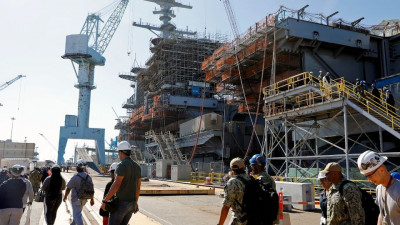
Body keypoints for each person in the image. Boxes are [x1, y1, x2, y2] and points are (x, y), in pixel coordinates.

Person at [101, 141, 141, 225]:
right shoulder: (137, 167)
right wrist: (136, 203)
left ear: (120, 152)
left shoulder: (121, 165)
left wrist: (105, 201)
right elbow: (138, 187)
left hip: (121, 205)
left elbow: (116, 185)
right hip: (132, 204)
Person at [357, 151, 400, 225]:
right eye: (366, 176)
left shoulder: (398, 189)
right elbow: (382, 214)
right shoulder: (379, 189)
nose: (369, 179)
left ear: (381, 169)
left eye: (370, 175)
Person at [218, 157, 251, 225]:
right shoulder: (251, 179)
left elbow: (226, 207)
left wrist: (220, 224)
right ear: (243, 167)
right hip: (252, 218)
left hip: (239, 220)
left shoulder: (233, 182)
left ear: (232, 169)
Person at [63, 160, 94, 225]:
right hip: (84, 199)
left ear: (77, 168)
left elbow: (68, 188)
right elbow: (91, 189)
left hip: (76, 199)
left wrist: (65, 197)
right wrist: (92, 199)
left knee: (77, 216)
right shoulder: (88, 177)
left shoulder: (75, 177)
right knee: (77, 214)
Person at [249, 154, 278, 224]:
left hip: (264, 215)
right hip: (268, 214)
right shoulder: (267, 177)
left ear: (257, 166)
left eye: (252, 166)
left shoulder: (262, 178)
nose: (252, 168)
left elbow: (260, 197)